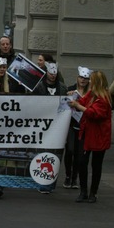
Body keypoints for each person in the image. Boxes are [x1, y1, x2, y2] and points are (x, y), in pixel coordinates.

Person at [69, 70, 112, 203]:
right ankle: (83, 191)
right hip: (87, 133)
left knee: (96, 165)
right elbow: (82, 101)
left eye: (92, 80)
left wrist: (77, 105)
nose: (89, 82)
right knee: (82, 162)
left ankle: (93, 192)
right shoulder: (92, 94)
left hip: (98, 135)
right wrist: (74, 99)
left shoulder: (104, 98)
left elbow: (94, 114)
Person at [33, 62, 67, 194]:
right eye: (50, 73)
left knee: (55, 155)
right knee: (41, 153)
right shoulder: (39, 87)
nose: (52, 76)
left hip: (57, 126)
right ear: (46, 73)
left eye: (54, 73)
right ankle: (41, 182)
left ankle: (50, 182)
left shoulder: (62, 88)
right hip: (42, 126)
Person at [63, 66, 90, 189]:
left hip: (83, 126)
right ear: (77, 78)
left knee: (80, 154)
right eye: (81, 77)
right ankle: (68, 175)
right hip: (71, 124)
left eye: (85, 78)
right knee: (69, 150)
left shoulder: (91, 93)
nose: (83, 80)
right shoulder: (70, 90)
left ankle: (75, 178)